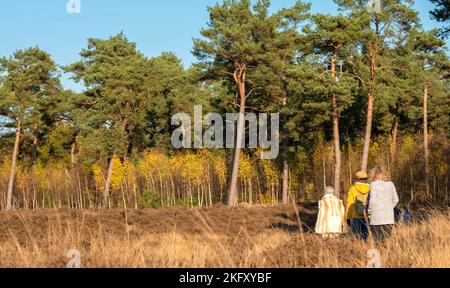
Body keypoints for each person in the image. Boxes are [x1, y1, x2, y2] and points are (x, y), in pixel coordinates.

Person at [368, 166, 399, 242]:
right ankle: (386, 254)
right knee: (386, 241)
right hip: (388, 218)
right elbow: (396, 200)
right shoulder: (391, 184)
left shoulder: (373, 184)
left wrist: (369, 211)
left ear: (375, 175)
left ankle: (379, 253)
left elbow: (372, 200)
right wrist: (388, 207)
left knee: (377, 241)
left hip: (376, 218)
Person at [345, 171, 371, 241]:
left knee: (356, 237)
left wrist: (347, 216)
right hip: (368, 216)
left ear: (357, 178)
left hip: (355, 216)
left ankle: (359, 249)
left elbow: (350, 203)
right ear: (366, 179)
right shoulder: (371, 188)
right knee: (365, 236)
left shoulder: (353, 189)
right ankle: (365, 248)